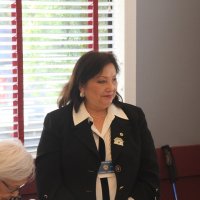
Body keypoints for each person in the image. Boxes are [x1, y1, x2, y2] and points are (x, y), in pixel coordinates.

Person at [36, 51, 160, 200]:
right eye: (102, 81)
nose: (111, 87)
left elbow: (150, 175)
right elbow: (49, 182)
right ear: (82, 85)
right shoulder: (57, 122)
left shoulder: (134, 117)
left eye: (113, 79)